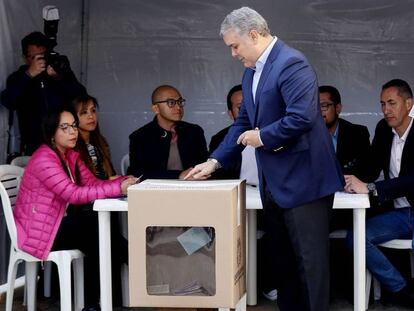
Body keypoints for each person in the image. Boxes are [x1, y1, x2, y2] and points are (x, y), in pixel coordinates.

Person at [185, 7, 344, 311]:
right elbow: (243, 122)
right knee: (284, 267)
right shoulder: (251, 73)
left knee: (310, 269)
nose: (232, 53)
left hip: (304, 183)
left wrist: (263, 137)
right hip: (275, 185)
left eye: (235, 45)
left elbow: (303, 117)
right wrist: (215, 161)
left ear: (254, 35)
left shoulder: (292, 63)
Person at [13, 104, 137, 311]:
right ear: (52, 133)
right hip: (39, 231)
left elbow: (91, 184)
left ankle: (92, 302)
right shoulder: (45, 158)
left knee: (97, 233)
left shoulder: (69, 155)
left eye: (73, 126)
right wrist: (118, 186)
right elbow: (73, 194)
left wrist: (122, 181)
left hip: (55, 224)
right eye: (65, 128)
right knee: (95, 229)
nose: (73, 132)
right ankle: (140, 265)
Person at [345, 79, 414, 308]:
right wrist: (346, 178)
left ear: (409, 103)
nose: (386, 110)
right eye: (383, 104)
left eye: (392, 103)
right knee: (356, 236)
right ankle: (401, 289)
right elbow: (371, 165)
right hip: (400, 212)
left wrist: (372, 188)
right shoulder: (384, 129)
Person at [72, 94, 127, 306]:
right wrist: (111, 181)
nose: (91, 116)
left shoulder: (99, 142)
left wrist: (116, 180)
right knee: (105, 240)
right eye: (84, 112)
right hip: (83, 209)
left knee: (111, 238)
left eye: (93, 111)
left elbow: (106, 176)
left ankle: (109, 299)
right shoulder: (74, 147)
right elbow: (83, 184)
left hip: (101, 205)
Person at [1, 31, 86, 155]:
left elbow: (81, 97)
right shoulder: (18, 77)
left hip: (65, 141)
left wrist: (60, 78)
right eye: (34, 57)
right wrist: (29, 75)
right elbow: (8, 101)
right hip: (34, 144)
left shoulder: (58, 72)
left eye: (42, 56)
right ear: (25, 58)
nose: (40, 61)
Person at [128, 85, 208, 179]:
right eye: (171, 103)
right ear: (156, 109)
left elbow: (204, 164)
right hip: (156, 190)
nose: (178, 107)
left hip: (193, 187)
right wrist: (178, 175)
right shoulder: (140, 136)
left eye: (180, 102)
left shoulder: (194, 131)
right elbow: (136, 173)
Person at [319, 85, 371, 230]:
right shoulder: (305, 135)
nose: (318, 112)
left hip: (348, 206)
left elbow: (366, 170)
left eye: (323, 106)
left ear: (338, 108)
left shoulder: (357, 133)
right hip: (316, 206)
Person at [209, 84, 242, 179]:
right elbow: (218, 177)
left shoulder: (272, 132)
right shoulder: (219, 139)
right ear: (230, 114)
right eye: (240, 108)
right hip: (236, 190)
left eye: (252, 105)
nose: (247, 111)